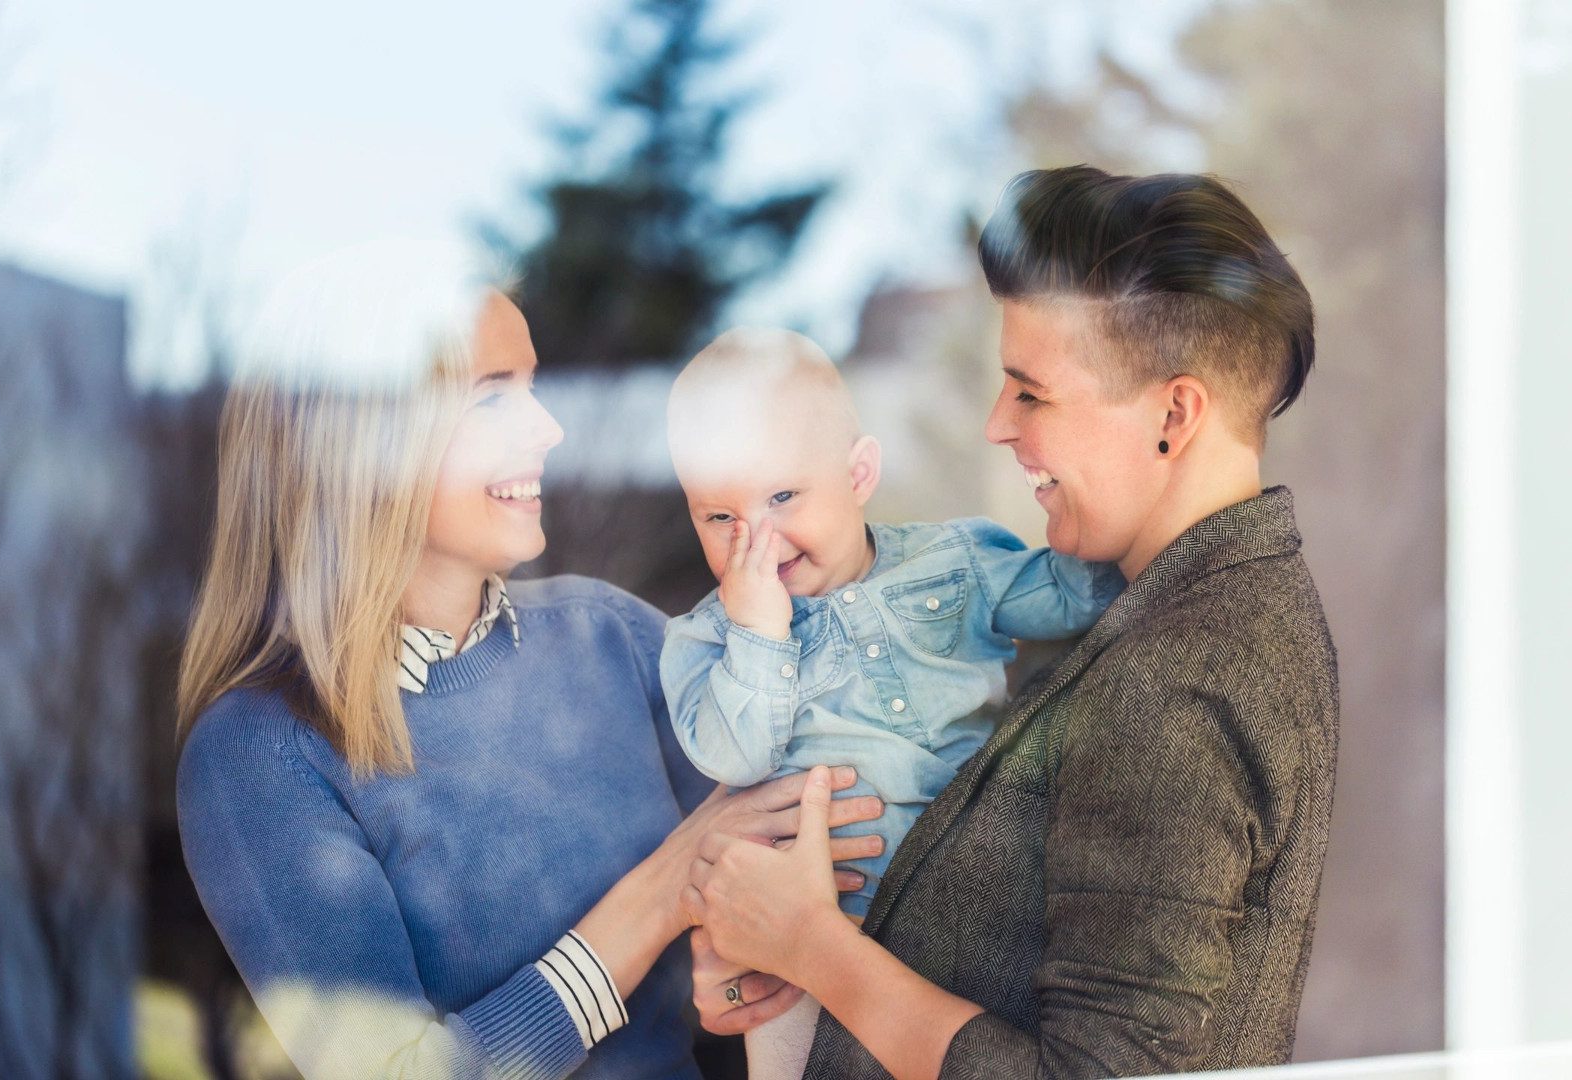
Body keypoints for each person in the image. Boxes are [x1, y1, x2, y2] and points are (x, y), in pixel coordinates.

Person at [684, 166, 1341, 1079]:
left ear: (1174, 415)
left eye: (1031, 392)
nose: (998, 424)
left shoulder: (1182, 675)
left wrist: (809, 947)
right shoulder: (1203, 611)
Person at [173, 243, 883, 1080]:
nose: (548, 429)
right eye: (491, 398)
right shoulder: (259, 757)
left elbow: (823, 851)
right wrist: (655, 900)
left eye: (534, 388)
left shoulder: (610, 637)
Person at [660, 328, 1123, 1078]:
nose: (757, 540)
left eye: (782, 496)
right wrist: (760, 635)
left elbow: (1076, 598)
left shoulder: (957, 559)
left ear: (859, 473)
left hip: (976, 910)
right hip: (804, 951)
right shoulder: (707, 640)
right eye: (720, 517)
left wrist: (1098, 490)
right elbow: (734, 754)